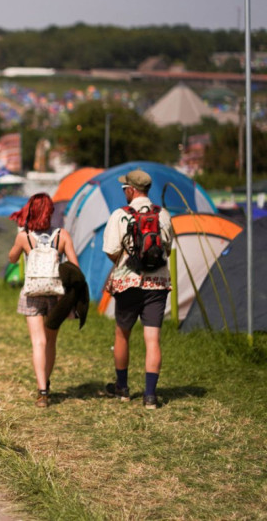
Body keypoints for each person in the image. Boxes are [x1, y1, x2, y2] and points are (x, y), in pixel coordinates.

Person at [102, 169, 172, 410]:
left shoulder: (120, 215)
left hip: (128, 282)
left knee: (123, 334)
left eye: (125, 188)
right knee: (152, 339)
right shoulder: (162, 215)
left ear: (131, 190)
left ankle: (122, 388)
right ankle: (150, 396)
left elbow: (111, 250)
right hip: (158, 282)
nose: (124, 192)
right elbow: (168, 249)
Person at [7, 193, 79, 408]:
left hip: (32, 293)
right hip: (56, 294)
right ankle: (46, 381)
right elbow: (74, 267)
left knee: (38, 342)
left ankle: (42, 391)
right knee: (50, 341)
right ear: (50, 212)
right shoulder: (62, 235)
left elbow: (11, 258)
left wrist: (22, 242)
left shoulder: (24, 237)